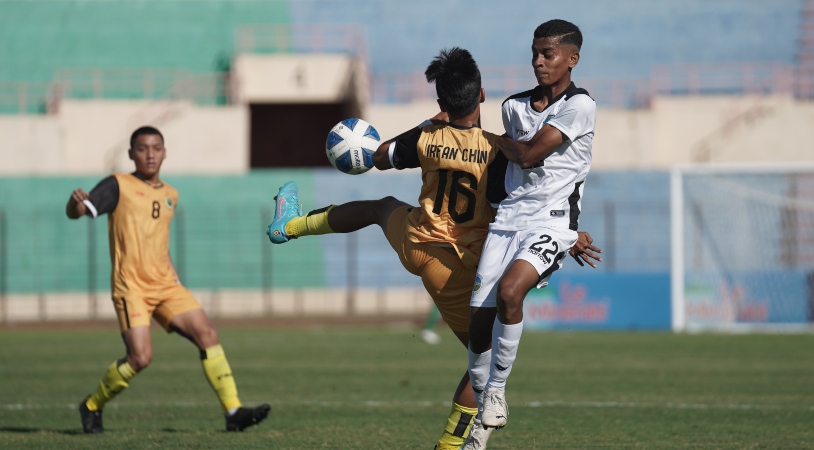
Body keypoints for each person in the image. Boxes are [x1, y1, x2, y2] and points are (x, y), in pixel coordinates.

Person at [267, 48, 600, 450]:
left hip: (415, 239)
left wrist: (430, 122)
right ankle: (450, 445)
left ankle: (291, 225)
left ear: (441, 101)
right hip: (458, 265)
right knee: (483, 361)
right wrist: (568, 232)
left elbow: (379, 156)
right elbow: (518, 204)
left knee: (379, 208)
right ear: (481, 95)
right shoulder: (498, 151)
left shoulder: (428, 137)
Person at [65, 126, 270, 434]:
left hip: (166, 286)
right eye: (143, 148)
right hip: (132, 288)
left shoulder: (170, 194)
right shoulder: (118, 185)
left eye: (156, 148)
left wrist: (176, 280)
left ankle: (233, 412)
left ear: (164, 153)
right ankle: (92, 405)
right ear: (131, 154)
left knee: (208, 334)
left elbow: (160, 243)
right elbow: (78, 211)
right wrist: (74, 202)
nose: (150, 154)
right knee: (140, 357)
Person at [463, 19, 599, 449]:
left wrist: (483, 136)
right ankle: (482, 420)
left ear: (572, 59)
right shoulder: (513, 107)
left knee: (510, 293)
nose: (539, 61)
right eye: (535, 53)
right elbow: (506, 171)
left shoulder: (580, 106)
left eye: (549, 54)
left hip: (552, 221)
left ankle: (497, 391)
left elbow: (528, 154)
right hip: (508, 221)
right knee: (478, 325)